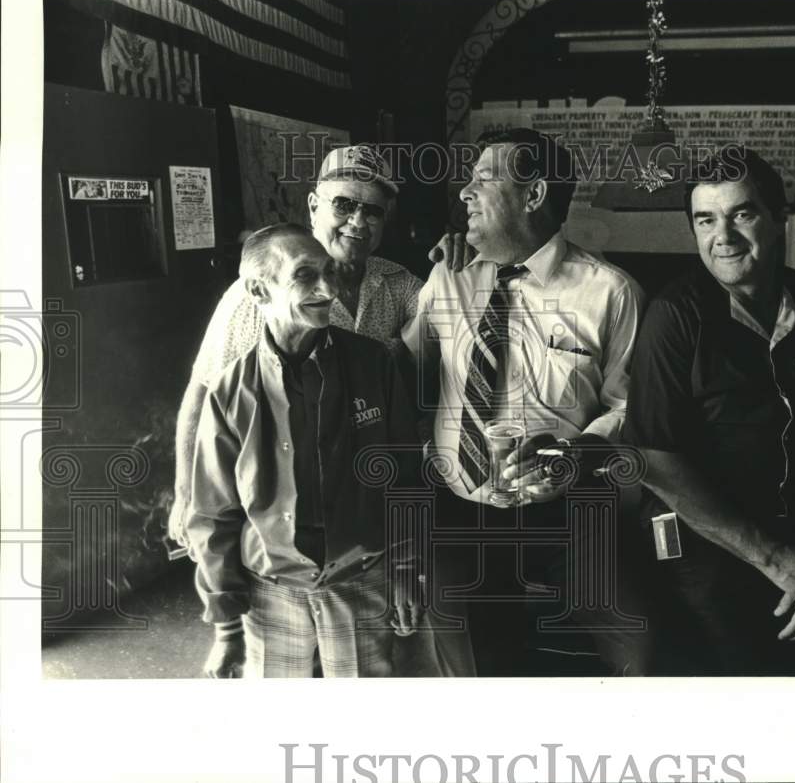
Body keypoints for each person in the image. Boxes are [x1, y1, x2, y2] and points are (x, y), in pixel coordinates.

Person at [402, 128, 651, 675]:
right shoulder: (448, 276)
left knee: (640, 654)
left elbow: (628, 408)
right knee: (468, 665)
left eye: (482, 180)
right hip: (458, 506)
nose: (464, 192)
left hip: (570, 508)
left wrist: (574, 457)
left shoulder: (610, 292)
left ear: (533, 195)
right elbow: (403, 377)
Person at [186, 223, 466, 678]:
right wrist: (226, 630)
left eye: (329, 273)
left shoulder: (374, 363)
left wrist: (404, 568)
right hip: (270, 588)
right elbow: (213, 511)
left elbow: (405, 478)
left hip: (359, 579)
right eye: (304, 275)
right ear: (260, 290)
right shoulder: (230, 391)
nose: (327, 289)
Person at [623, 148, 795, 674]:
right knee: (743, 663)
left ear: (780, 220)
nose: (722, 236)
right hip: (698, 536)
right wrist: (781, 563)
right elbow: (655, 461)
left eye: (742, 214)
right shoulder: (674, 316)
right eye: (706, 219)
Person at [169, 144, 468, 547]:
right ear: (313, 206)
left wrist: (459, 265)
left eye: (373, 210)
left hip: (364, 497)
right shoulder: (258, 291)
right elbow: (203, 392)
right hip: (279, 501)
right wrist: (187, 493)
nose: (358, 222)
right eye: (343, 204)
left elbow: (452, 323)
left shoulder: (397, 284)